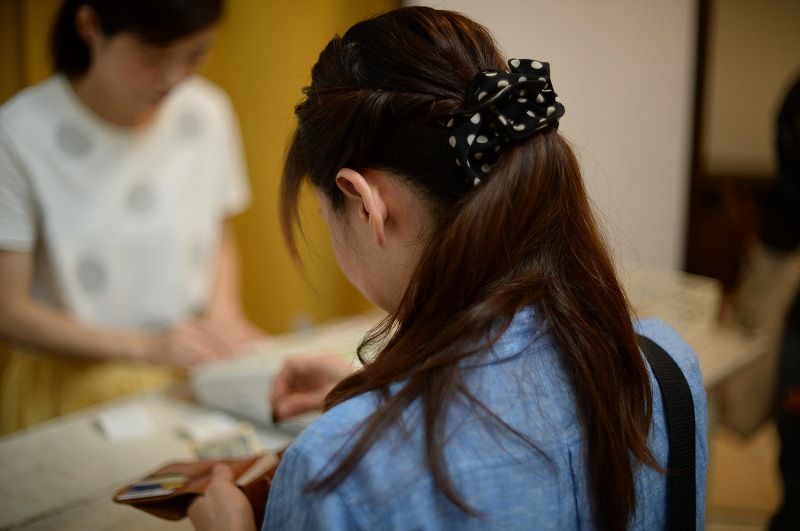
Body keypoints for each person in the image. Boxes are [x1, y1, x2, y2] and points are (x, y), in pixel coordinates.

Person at [187, 7, 707, 530]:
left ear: (365, 203)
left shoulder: (336, 468)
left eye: (325, 215)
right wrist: (379, 395)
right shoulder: (667, 371)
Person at [0, 0, 261, 433]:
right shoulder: (18, 134)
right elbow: (9, 311)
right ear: (90, 25)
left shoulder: (206, 112)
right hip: (72, 387)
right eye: (154, 56)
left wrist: (223, 316)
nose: (174, 78)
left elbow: (216, 236)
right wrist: (143, 347)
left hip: (185, 366)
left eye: (196, 54)